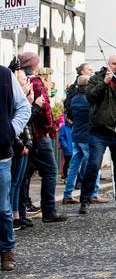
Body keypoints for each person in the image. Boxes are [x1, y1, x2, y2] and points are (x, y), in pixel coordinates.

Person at [18, 52, 67, 223]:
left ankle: (21, 213)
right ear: (35, 64)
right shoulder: (35, 81)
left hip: (27, 135)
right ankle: (49, 211)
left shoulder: (20, 80)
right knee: (51, 171)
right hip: (39, 134)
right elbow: (44, 107)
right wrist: (49, 127)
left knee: (24, 174)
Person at [79, 55, 116, 214]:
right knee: (94, 164)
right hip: (99, 131)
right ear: (108, 65)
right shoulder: (96, 78)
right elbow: (90, 97)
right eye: (114, 64)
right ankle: (85, 199)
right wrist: (104, 83)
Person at [0, 62, 31, 271]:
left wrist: (10, 131)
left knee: (2, 207)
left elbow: (24, 106)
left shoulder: (4, 75)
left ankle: (6, 250)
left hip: (0, 154)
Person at [63, 75, 105, 205]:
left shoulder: (74, 99)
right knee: (95, 165)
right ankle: (94, 193)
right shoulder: (89, 100)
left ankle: (68, 194)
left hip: (76, 136)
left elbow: (69, 115)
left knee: (74, 167)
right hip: (87, 137)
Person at [9, 66, 34, 231]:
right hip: (16, 146)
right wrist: (20, 145)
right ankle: (11, 216)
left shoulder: (23, 101)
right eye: (23, 80)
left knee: (19, 182)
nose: (27, 82)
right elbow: (11, 123)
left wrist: (28, 144)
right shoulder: (12, 99)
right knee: (13, 183)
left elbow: (27, 125)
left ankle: (17, 214)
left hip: (24, 144)